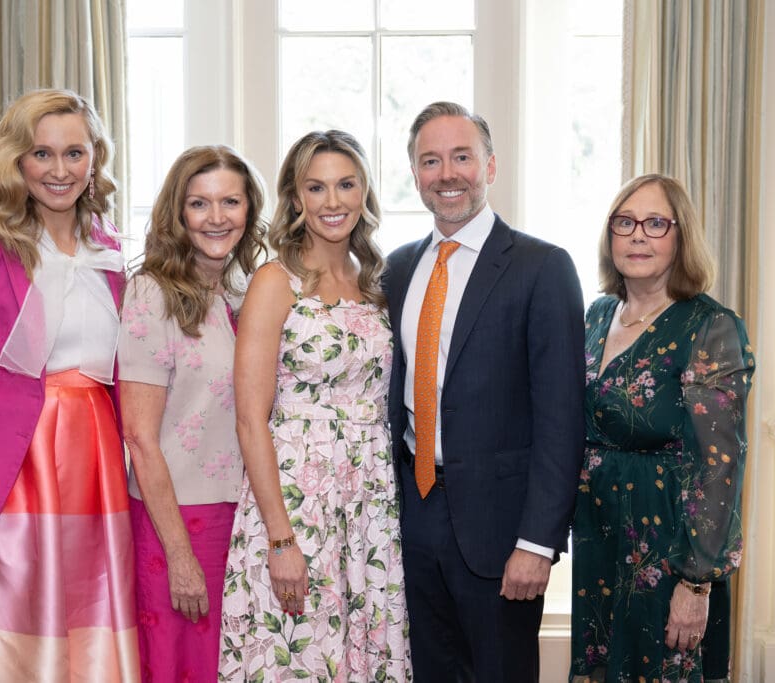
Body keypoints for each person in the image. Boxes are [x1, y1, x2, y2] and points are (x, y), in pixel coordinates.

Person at [0, 89, 139, 681]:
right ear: (16, 159)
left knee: (87, 637)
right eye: (42, 153)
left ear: (95, 158)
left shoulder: (112, 246)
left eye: (75, 152)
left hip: (96, 471)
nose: (60, 169)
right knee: (7, 646)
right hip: (11, 475)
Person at [383, 101, 586, 682]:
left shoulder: (542, 267)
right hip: (410, 517)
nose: (447, 174)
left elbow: (561, 419)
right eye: (431, 160)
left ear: (490, 167)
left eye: (462, 157)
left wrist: (538, 543)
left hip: (501, 531)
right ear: (416, 174)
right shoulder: (396, 270)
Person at [218, 130, 412, 681]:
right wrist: (281, 539)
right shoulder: (275, 282)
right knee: (299, 655)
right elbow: (250, 419)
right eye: (317, 187)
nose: (333, 202)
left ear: (365, 192)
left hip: (370, 506)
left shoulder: (377, 283)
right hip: (297, 503)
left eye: (346, 184)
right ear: (296, 197)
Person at [569, 173, 755, 683]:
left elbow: (720, 465)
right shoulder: (597, 314)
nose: (637, 236)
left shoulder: (709, 326)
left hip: (669, 546)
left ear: (681, 236)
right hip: (599, 534)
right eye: (624, 222)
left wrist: (696, 585)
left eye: (655, 223)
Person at [117, 145, 266, 682]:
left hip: (243, 515)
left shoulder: (248, 291)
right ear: (178, 213)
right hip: (178, 518)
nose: (216, 217)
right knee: (182, 667)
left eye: (230, 201)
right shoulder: (150, 294)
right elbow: (138, 437)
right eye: (199, 203)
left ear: (250, 210)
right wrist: (180, 554)